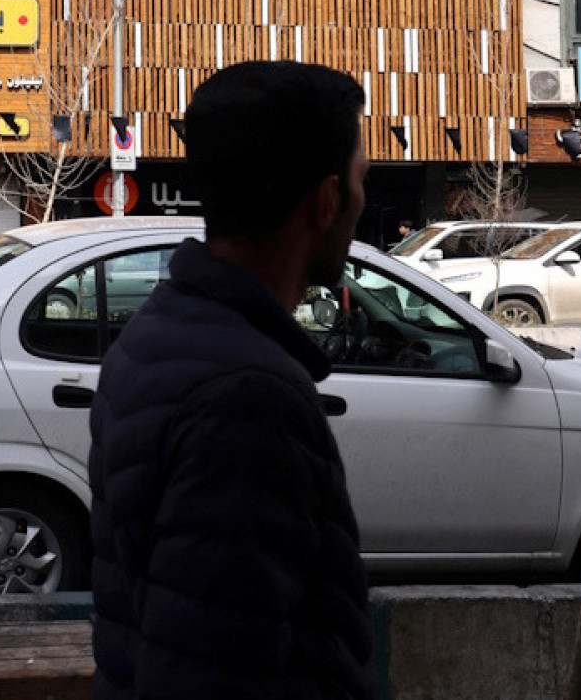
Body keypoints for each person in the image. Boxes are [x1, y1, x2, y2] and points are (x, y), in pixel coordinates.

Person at [89, 61, 374, 700]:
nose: (362, 202)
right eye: (361, 181)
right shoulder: (248, 399)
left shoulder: (159, 333)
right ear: (327, 200)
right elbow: (213, 671)